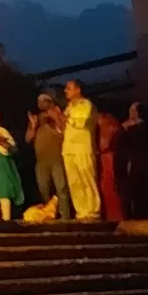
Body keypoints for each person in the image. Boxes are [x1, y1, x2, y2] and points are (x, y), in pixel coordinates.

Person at [25, 92, 72, 219]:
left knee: (61, 188)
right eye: (39, 101)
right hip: (41, 160)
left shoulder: (58, 114)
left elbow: (66, 131)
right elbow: (28, 139)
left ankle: (65, 216)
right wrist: (33, 127)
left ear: (51, 102)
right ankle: (48, 214)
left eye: (45, 101)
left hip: (57, 158)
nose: (42, 104)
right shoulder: (36, 119)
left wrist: (55, 118)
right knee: (43, 189)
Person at [62, 77, 101, 222]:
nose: (66, 91)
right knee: (74, 181)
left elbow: (80, 122)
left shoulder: (86, 104)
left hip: (83, 147)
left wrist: (64, 117)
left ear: (78, 89)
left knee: (86, 179)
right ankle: (81, 212)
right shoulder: (69, 107)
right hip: (69, 148)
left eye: (69, 88)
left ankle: (92, 212)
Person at [97, 109, 124, 223]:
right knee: (106, 187)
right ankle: (111, 216)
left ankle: (116, 216)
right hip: (104, 157)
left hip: (108, 157)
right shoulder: (107, 125)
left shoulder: (110, 124)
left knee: (110, 186)